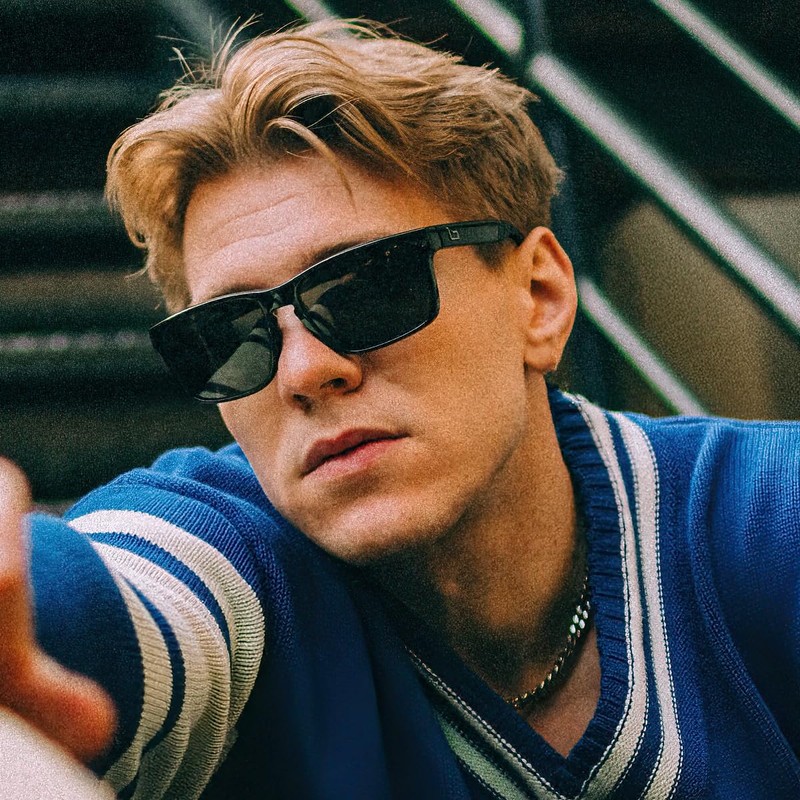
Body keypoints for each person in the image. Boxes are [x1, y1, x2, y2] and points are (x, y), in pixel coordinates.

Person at [2, 17, 799, 800]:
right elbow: (112, 598)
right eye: (233, 333)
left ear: (539, 297)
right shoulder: (239, 560)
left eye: (367, 287)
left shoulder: (761, 521)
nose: (305, 371)